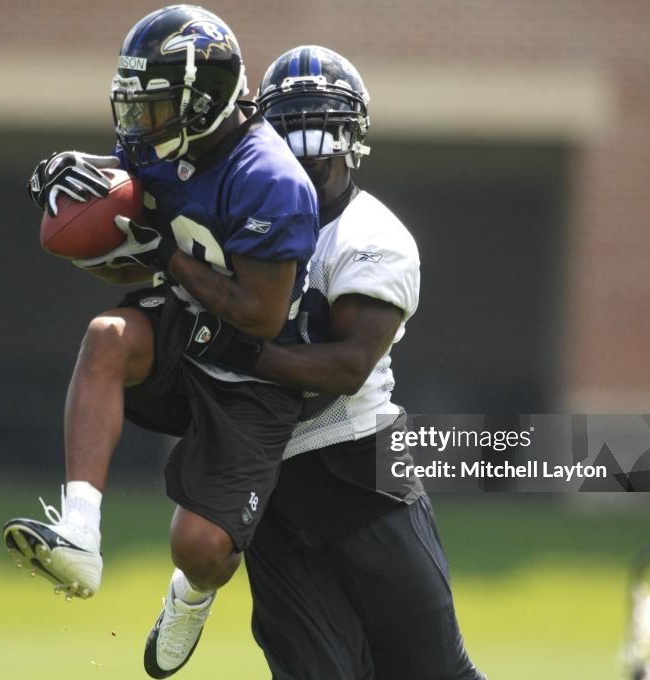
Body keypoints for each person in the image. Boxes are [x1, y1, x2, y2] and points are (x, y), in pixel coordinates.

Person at [1, 6, 318, 679]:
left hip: (255, 372)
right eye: (134, 107)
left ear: (204, 102)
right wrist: (69, 190)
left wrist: (164, 255)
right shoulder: (159, 149)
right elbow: (122, 245)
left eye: (156, 107)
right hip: (185, 327)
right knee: (107, 336)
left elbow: (259, 316)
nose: (138, 127)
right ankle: (80, 532)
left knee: (199, 549)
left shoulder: (271, 179)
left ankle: (194, 595)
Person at [187, 45, 485, 680]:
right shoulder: (234, 215)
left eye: (320, 122)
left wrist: (235, 348)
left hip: (358, 463)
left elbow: (347, 366)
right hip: (266, 469)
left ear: (355, 136)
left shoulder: (373, 236)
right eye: (288, 122)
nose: (305, 142)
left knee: (433, 672)